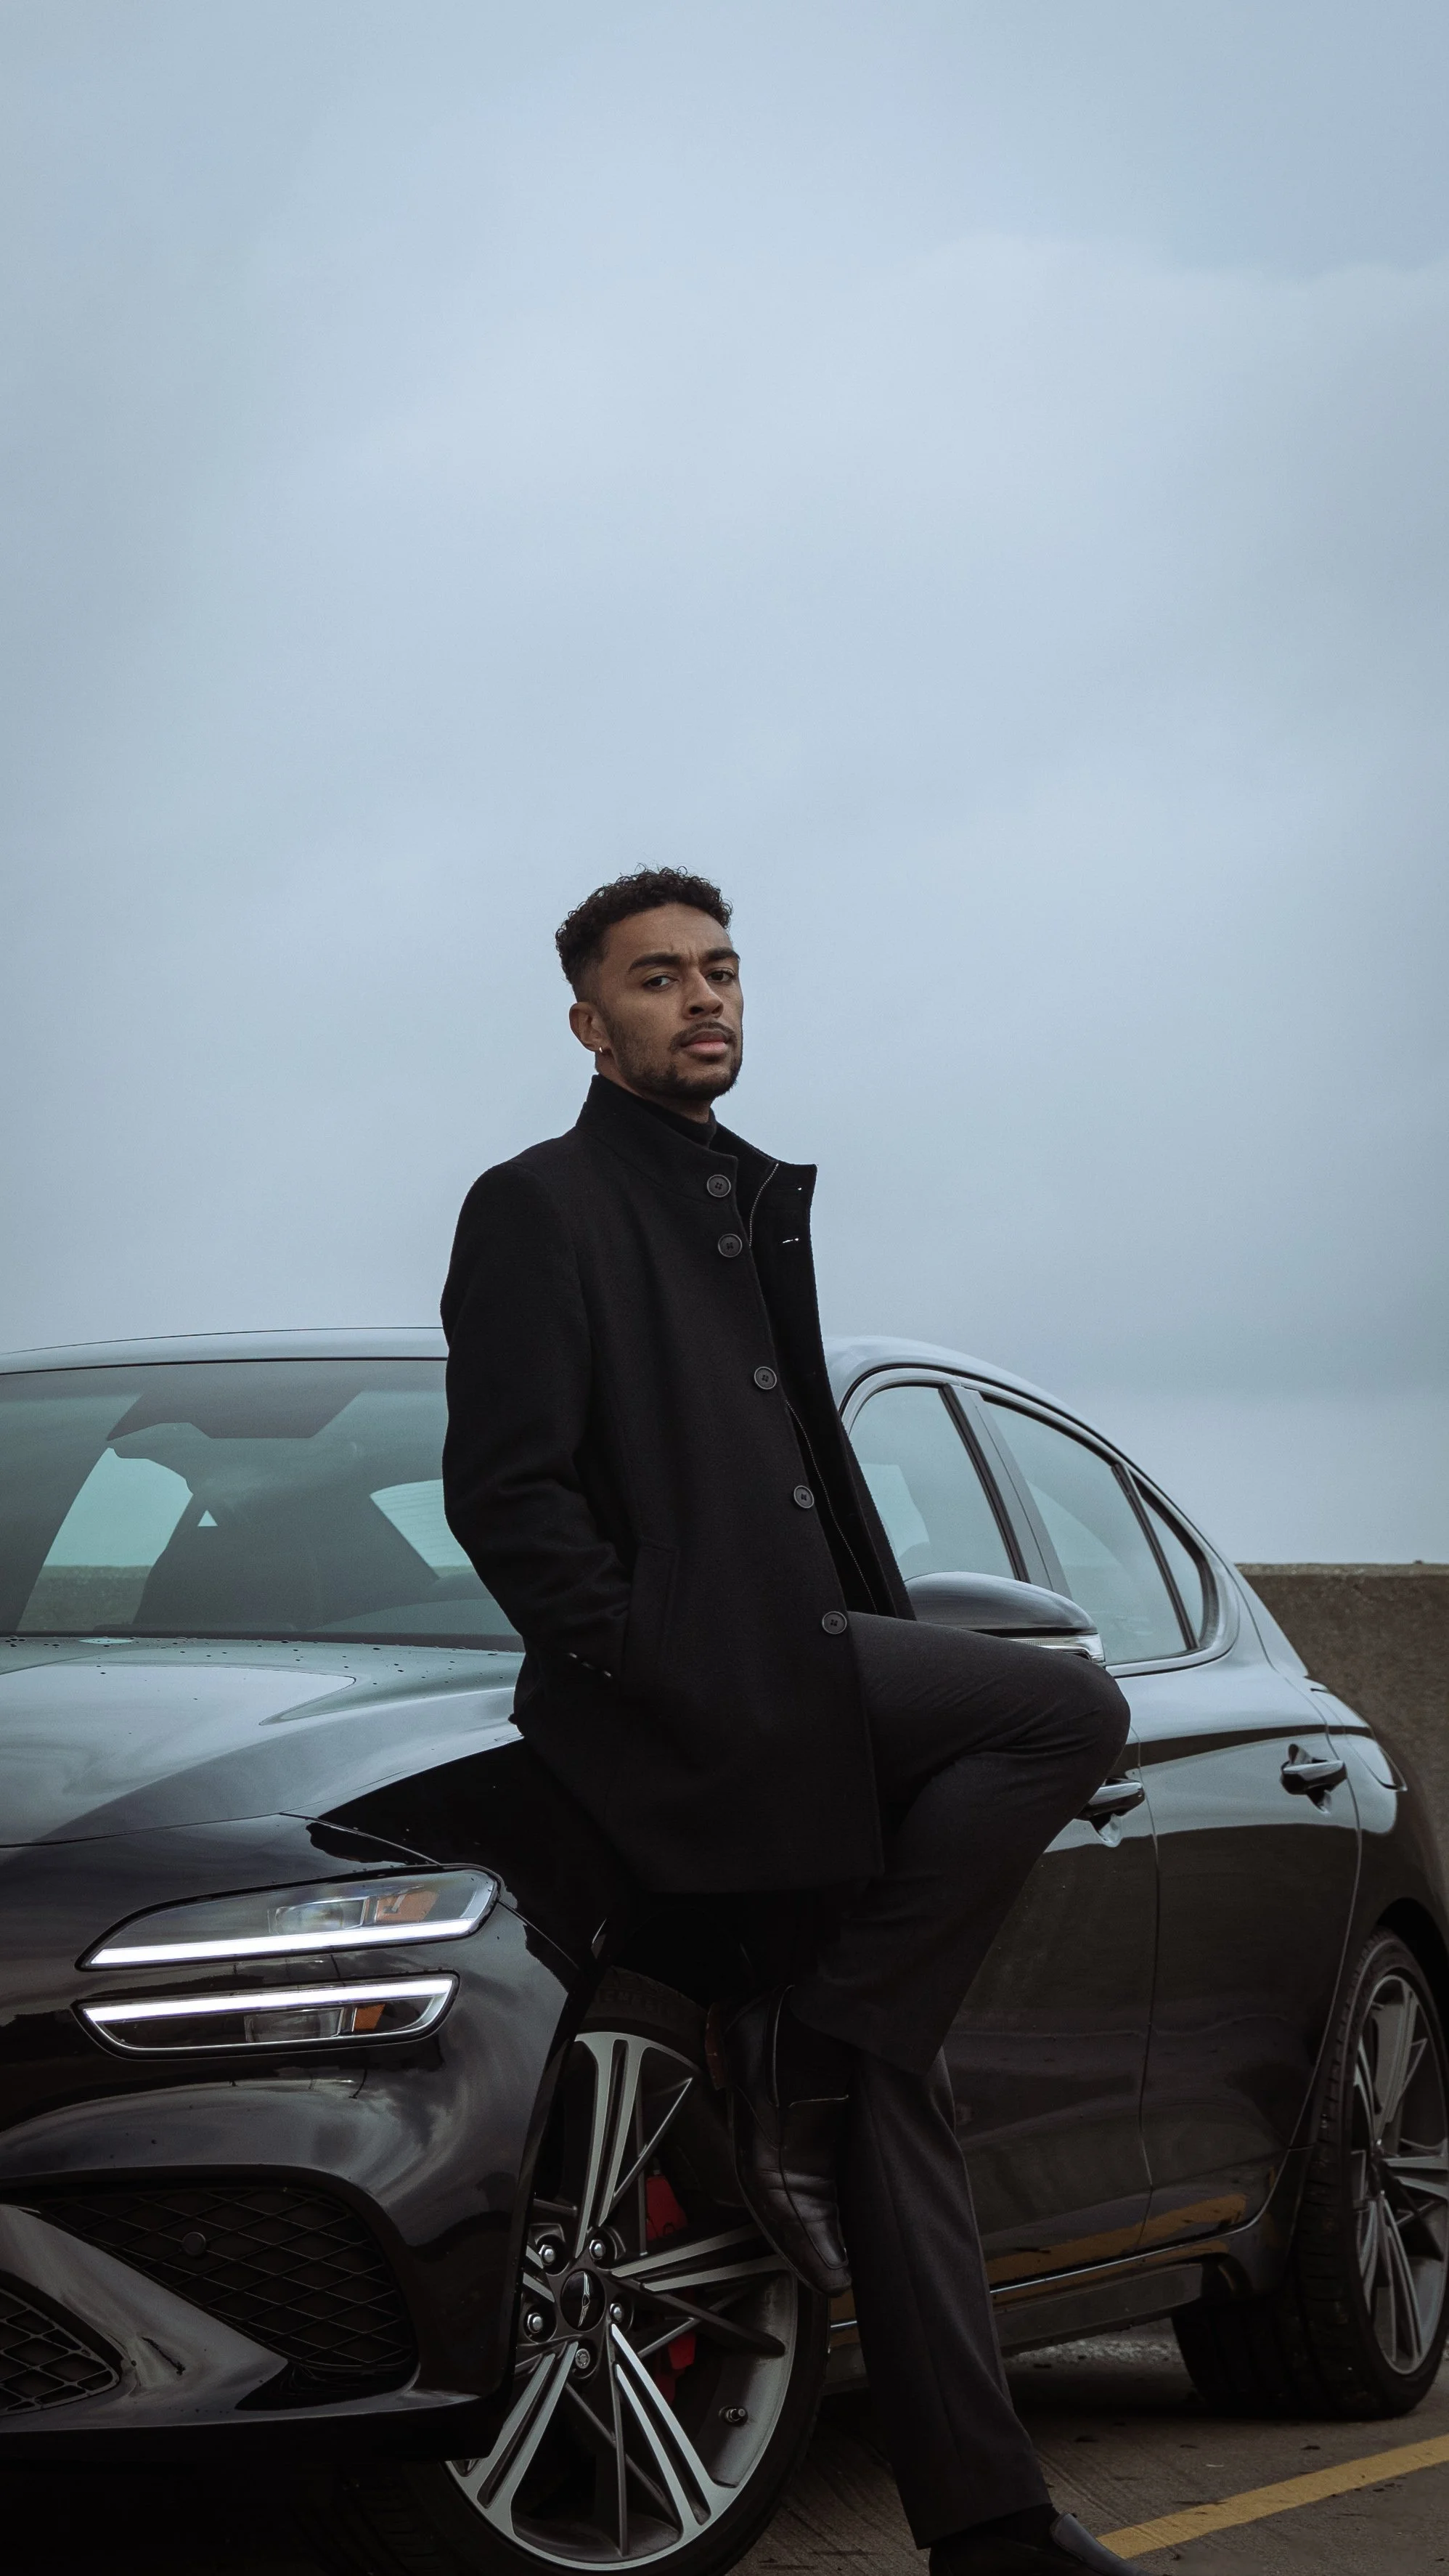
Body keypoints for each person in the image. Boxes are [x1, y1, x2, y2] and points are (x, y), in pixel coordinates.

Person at [441, 867, 1146, 2575]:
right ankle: (820, 2031)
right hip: (689, 1720)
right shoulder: (538, 1206)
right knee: (1062, 1707)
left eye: (722, 970)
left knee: (882, 2086)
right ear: (586, 1021)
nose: (704, 998)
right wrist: (667, 1658)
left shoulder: (737, 1204)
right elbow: (508, 1496)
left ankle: (986, 2528)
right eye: (660, 976)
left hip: (801, 1694)